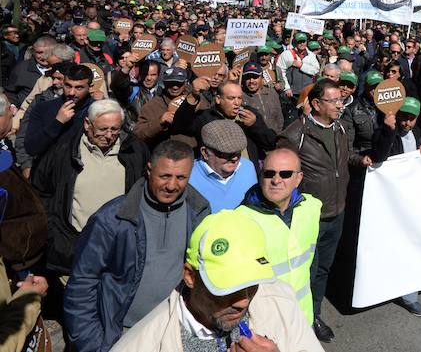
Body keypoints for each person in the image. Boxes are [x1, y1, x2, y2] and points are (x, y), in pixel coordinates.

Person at [64, 140, 210, 352]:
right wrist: (93, 344)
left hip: (173, 331)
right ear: (149, 170)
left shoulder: (199, 212)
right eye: (165, 176)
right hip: (121, 334)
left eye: (181, 178)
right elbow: (82, 284)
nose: (171, 185)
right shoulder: (113, 218)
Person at [109, 210, 324, 352]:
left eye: (251, 284)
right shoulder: (142, 344)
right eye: (227, 286)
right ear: (190, 276)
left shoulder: (280, 300)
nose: (243, 301)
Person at [30, 100, 147, 275]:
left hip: (118, 251)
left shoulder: (135, 151)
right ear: (87, 124)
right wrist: (55, 236)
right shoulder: (63, 151)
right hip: (72, 250)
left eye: (115, 129)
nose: (109, 135)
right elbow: (40, 193)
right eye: (102, 129)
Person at [276, 80, 351, 343]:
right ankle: (294, 319)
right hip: (307, 219)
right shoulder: (295, 134)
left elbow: (341, 163)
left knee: (322, 271)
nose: (340, 105)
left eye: (340, 99)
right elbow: (280, 177)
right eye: (333, 101)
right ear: (316, 104)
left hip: (336, 212)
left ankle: (313, 315)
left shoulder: (341, 128)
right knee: (303, 272)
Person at [237, 147, 322, 324]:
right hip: (265, 323)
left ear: (298, 179)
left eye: (285, 174)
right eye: (269, 173)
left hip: (303, 317)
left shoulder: (311, 208)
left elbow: (311, 263)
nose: (276, 180)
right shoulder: (241, 219)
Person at [369, 97, 421, 316]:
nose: (407, 123)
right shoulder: (385, 132)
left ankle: (409, 296)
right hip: (390, 203)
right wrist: (388, 130)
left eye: (411, 119)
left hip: (412, 201)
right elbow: (380, 156)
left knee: (411, 246)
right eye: (404, 118)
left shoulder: (417, 132)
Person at [24, 63, 94, 161]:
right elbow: (31, 148)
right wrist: (57, 122)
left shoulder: (99, 112)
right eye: (68, 86)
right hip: (48, 171)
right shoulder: (43, 108)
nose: (71, 93)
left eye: (79, 88)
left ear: (90, 87)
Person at [189, 120, 258, 212]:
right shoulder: (188, 175)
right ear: (205, 153)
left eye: (238, 153)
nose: (234, 159)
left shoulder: (247, 167)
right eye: (226, 154)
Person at [5, 35, 54, 106]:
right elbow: (10, 91)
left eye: (48, 52)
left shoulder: (61, 69)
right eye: (39, 53)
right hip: (25, 113)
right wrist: (13, 106)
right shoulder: (22, 68)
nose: (43, 56)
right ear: (34, 53)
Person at [240, 61, 284, 132]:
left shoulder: (272, 93)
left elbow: (279, 118)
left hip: (274, 138)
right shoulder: (240, 96)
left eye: (255, 77)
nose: (251, 80)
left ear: (262, 78)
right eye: (248, 77)